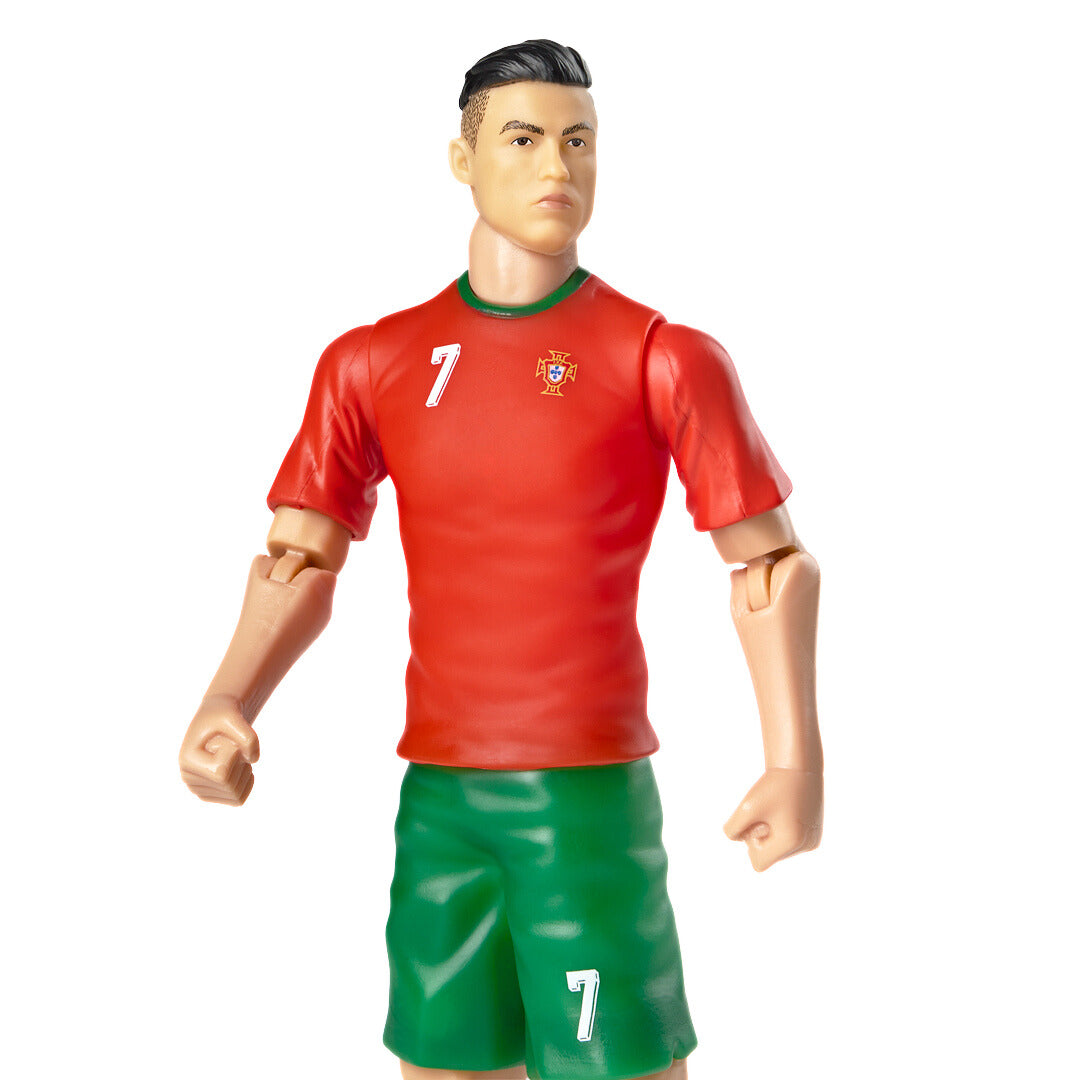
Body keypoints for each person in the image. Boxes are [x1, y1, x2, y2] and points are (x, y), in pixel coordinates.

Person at [179, 39, 823, 1080]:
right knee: (442, 1061)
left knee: (611, 1063)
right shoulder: (373, 360)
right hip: (440, 798)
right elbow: (298, 556)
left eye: (580, 141)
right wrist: (228, 698)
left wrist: (794, 761)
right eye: (523, 140)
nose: (557, 167)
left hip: (584, 804)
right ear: (461, 159)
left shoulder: (659, 355)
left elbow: (770, 568)